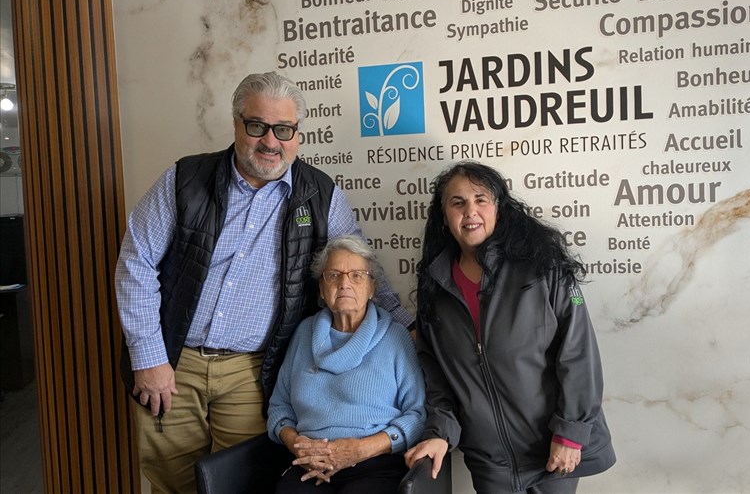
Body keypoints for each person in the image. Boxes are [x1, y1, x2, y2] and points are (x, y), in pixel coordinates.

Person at [115, 72, 413, 494]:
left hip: (251, 371)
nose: (270, 141)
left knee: (240, 481)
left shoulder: (320, 194)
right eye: (257, 126)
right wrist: (148, 358)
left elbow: (357, 268)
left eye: (284, 129)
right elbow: (136, 262)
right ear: (237, 124)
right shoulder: (185, 179)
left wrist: (404, 325)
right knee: (172, 481)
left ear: (297, 134)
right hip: (172, 362)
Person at [404, 162, 615, 493]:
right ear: (444, 216)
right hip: (490, 462)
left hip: (552, 451)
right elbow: (437, 377)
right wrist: (439, 432)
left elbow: (578, 352)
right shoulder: (435, 285)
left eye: (480, 199)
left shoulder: (540, 267)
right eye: (457, 202)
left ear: (499, 208)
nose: (470, 211)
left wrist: (570, 432)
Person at [267, 235, 425, 493]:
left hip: (374, 462)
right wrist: (297, 443)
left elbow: (417, 415)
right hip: (309, 463)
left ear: (372, 288)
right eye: (334, 276)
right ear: (321, 288)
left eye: (357, 276)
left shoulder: (395, 337)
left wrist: (360, 449)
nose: (344, 284)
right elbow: (279, 407)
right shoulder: (304, 333)